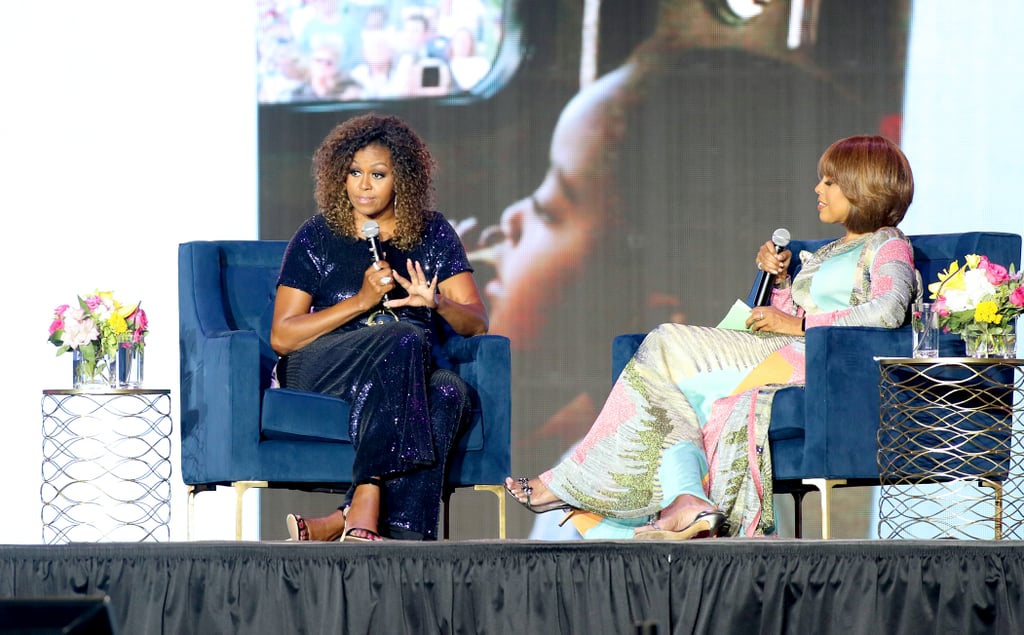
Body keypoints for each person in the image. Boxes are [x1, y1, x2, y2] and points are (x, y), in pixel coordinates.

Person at [503, 134, 916, 538]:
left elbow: (888, 309)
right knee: (669, 395)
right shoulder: (829, 251)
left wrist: (801, 325)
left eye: (829, 181)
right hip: (786, 350)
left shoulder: (888, 247)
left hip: (817, 363)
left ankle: (566, 483)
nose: (817, 188)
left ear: (863, 186)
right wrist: (782, 281)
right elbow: (795, 313)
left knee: (664, 342)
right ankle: (687, 500)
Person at [272, 113, 489, 542]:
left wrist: (438, 302)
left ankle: (374, 535)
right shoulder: (317, 236)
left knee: (449, 392)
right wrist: (361, 302)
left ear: (402, 180)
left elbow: (477, 322)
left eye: (377, 174)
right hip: (324, 366)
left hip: (406, 370)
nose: (363, 185)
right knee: (405, 335)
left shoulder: (433, 233)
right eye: (354, 173)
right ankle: (366, 493)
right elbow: (283, 335)